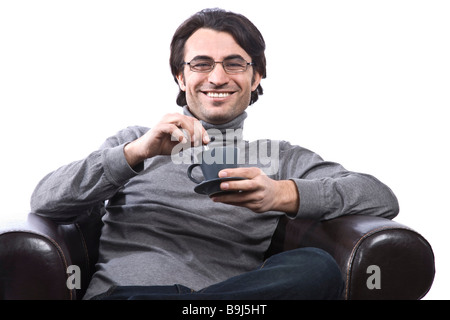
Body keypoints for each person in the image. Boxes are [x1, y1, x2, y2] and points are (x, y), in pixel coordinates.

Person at [30, 8, 399, 300]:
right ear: (180, 77)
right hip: (128, 293)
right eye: (201, 64)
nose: (218, 78)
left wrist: (283, 194)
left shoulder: (279, 158)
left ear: (255, 78)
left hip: (231, 304)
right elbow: (45, 201)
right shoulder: (135, 142)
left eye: (234, 64)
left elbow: (380, 197)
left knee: (316, 267)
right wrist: (135, 153)